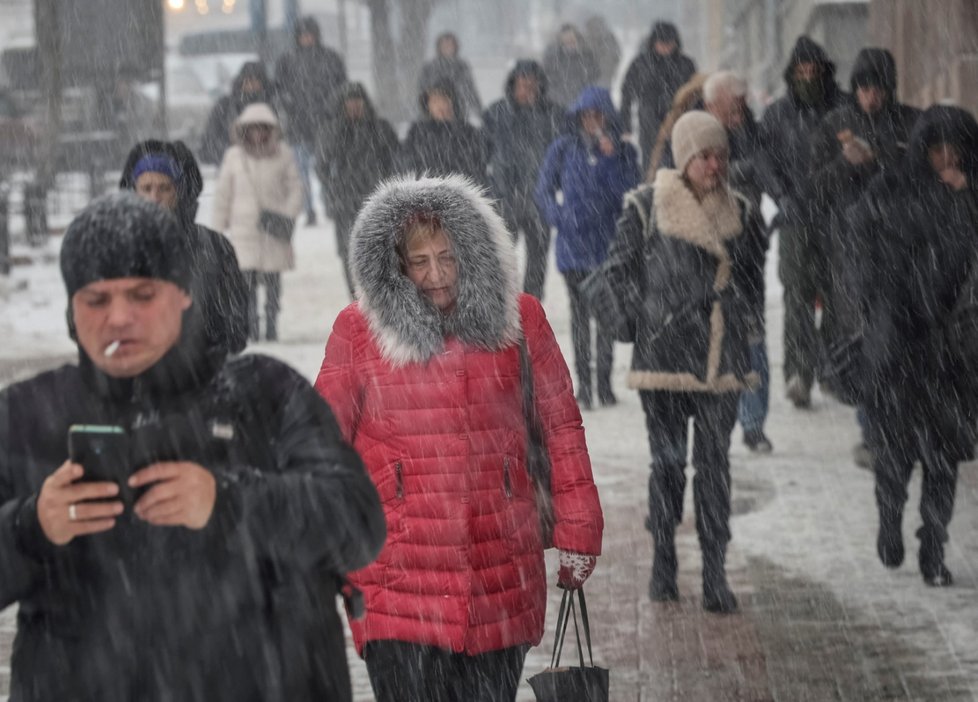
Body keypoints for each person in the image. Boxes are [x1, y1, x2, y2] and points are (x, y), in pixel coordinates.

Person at [0, 192, 386, 701]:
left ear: (183, 293)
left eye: (142, 294)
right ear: (73, 307)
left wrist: (230, 502)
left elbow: (358, 525)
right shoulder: (26, 414)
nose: (118, 317)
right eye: (97, 299)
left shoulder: (266, 393)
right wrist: (32, 526)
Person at [315, 174, 604, 702]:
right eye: (419, 262)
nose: (436, 276)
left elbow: (561, 427)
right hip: (395, 576)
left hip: (500, 569)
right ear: (396, 266)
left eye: (448, 257)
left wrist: (579, 527)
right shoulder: (359, 330)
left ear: (473, 253)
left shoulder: (522, 322)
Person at [599, 112, 766, 612]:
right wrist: (650, 316)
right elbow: (617, 270)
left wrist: (743, 321)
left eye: (720, 156)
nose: (715, 165)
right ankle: (664, 560)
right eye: (704, 156)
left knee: (715, 469)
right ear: (684, 158)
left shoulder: (740, 209)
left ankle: (715, 573)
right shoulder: (647, 205)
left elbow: (753, 279)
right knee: (668, 465)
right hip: (666, 359)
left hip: (722, 359)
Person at [851, 105, 978, 587]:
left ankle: (933, 550)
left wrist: (966, 199)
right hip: (898, 344)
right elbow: (860, 242)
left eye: (956, 149)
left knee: (943, 458)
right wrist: (880, 303)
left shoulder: (969, 196)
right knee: (895, 452)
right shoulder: (892, 188)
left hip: (953, 352)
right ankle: (889, 522)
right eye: (937, 148)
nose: (947, 158)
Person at [807, 48, 919, 466]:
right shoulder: (835, 124)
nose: (870, 96)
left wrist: (883, 157)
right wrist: (844, 164)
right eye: (863, 87)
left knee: (902, 343)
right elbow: (815, 188)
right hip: (851, 254)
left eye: (877, 87)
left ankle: (900, 427)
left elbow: (924, 175)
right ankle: (872, 434)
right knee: (866, 343)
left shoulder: (910, 121)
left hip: (905, 251)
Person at [535, 86, 641, 409]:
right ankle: (584, 386)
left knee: (607, 316)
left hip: (608, 248)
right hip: (574, 248)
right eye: (586, 116)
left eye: (598, 116)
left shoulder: (624, 154)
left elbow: (628, 193)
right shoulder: (563, 149)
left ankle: (604, 384)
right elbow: (542, 191)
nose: (592, 122)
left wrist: (610, 160)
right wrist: (559, 217)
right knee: (580, 319)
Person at [757, 35, 846, 409]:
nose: (808, 76)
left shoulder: (842, 109)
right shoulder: (778, 115)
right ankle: (798, 373)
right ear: (793, 73)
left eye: (813, 70)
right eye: (801, 70)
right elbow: (764, 159)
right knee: (797, 297)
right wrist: (781, 196)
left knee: (838, 295)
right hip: (796, 220)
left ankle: (831, 369)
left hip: (837, 219)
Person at [119, 139, 250, 354]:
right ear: (133, 192)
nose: (154, 198)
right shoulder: (113, 249)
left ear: (180, 192)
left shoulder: (215, 248)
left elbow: (236, 326)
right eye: (146, 188)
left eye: (164, 188)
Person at [703, 71, 772, 453]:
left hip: (749, 247)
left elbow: (764, 168)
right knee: (713, 335)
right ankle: (718, 418)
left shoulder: (752, 131)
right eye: (731, 105)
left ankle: (754, 422)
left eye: (740, 104)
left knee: (753, 337)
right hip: (709, 250)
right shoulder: (695, 133)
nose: (736, 112)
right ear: (712, 104)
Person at [213, 103, 302, 342]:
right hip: (244, 229)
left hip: (273, 229)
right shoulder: (233, 157)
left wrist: (286, 213)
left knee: (273, 281)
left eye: (263, 129)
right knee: (246, 282)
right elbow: (223, 193)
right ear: (244, 131)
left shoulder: (284, 154)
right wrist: (217, 228)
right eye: (252, 129)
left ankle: (272, 322)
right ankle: (251, 325)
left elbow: (295, 188)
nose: (258, 134)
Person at [482, 60, 563, 298]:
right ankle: (502, 308)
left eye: (532, 85)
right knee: (501, 259)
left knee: (537, 261)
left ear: (540, 86)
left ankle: (532, 308)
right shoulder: (496, 114)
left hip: (539, 198)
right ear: (513, 85)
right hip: (505, 197)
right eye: (522, 85)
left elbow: (562, 153)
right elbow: (479, 155)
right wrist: (492, 187)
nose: (527, 90)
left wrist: (553, 184)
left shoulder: (553, 115)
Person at [315, 82, 399, 296]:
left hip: (376, 200)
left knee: (381, 253)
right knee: (349, 255)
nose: (354, 106)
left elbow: (394, 161)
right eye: (349, 102)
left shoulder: (380, 129)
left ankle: (378, 299)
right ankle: (356, 301)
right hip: (345, 203)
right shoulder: (332, 131)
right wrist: (333, 192)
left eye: (358, 101)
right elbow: (322, 166)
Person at [275, 16, 348, 226]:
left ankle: (330, 204)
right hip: (298, 126)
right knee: (301, 173)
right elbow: (278, 90)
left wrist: (333, 109)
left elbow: (342, 88)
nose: (307, 38)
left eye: (310, 33)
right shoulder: (286, 61)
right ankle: (309, 210)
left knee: (327, 169)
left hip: (326, 125)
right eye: (303, 34)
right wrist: (287, 104)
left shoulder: (331, 59)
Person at [619, 21, 697, 168]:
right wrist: (625, 125)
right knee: (651, 165)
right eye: (662, 43)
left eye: (669, 43)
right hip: (649, 123)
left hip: (680, 121)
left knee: (682, 163)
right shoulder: (640, 64)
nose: (666, 47)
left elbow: (696, 94)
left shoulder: (686, 64)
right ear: (653, 42)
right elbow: (627, 94)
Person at [398, 79, 488, 185]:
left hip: (459, 193)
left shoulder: (469, 133)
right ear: (428, 106)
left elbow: (476, 169)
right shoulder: (416, 132)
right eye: (435, 101)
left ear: (454, 102)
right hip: (425, 192)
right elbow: (407, 166)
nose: (440, 106)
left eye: (444, 99)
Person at [200, 61, 275, 165]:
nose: (251, 85)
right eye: (248, 81)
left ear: (263, 83)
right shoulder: (225, 106)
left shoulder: (273, 105)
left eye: (255, 81)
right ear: (241, 82)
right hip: (232, 166)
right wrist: (230, 154)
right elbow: (211, 138)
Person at [418, 31, 482, 118]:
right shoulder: (430, 67)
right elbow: (423, 89)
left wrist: (479, 111)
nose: (447, 48)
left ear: (455, 46)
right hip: (434, 112)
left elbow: (470, 89)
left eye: (450, 45)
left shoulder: (462, 66)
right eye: (444, 45)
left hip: (459, 111)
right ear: (439, 47)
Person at [541, 24, 600, 108]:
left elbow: (595, 74)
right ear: (561, 40)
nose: (569, 41)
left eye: (572, 38)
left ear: (576, 38)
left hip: (581, 102)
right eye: (566, 38)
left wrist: (584, 88)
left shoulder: (586, 55)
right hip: (558, 102)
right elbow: (546, 77)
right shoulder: (553, 56)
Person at [583, 15, 621, 89]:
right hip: (591, 77)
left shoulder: (610, 39)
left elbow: (617, 57)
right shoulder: (586, 40)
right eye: (592, 27)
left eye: (597, 27)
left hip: (606, 74)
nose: (595, 30)